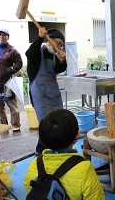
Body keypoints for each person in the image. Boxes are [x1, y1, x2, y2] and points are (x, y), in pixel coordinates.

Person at [23, 109, 105, 200]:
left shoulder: (35, 164)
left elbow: (29, 188)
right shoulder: (84, 169)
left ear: (42, 139)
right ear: (77, 135)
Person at [25, 27, 67, 155]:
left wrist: (62, 60)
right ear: (49, 40)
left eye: (61, 45)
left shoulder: (54, 56)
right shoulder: (37, 53)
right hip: (40, 96)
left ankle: (56, 149)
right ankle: (40, 153)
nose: (58, 46)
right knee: (47, 126)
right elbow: (29, 54)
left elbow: (59, 69)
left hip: (54, 96)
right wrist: (39, 37)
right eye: (57, 43)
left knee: (59, 123)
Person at [0, 29, 23, 132]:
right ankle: (4, 124)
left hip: (8, 83)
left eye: (4, 35)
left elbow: (19, 63)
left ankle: (16, 124)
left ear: (8, 37)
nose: (1, 37)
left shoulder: (12, 51)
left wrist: (10, 70)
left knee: (13, 106)